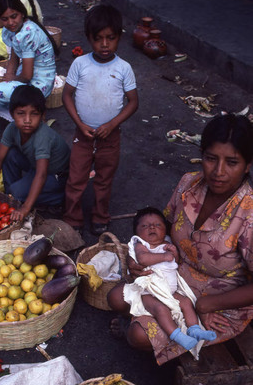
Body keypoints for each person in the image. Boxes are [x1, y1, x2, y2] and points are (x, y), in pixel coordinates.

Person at [108, 113, 253, 365]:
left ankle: (139, 325)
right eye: (210, 159)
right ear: (201, 155)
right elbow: (164, 230)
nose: (218, 171)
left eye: (232, 162)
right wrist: (142, 259)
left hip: (217, 300)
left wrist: (207, 306)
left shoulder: (249, 213)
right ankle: (142, 317)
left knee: (138, 336)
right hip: (171, 278)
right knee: (114, 298)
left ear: (248, 165)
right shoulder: (188, 184)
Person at [62, 4, 138, 236]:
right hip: (83, 135)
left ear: (119, 38)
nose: (104, 44)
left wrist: (112, 124)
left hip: (110, 137)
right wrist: (79, 124)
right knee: (76, 179)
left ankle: (100, 216)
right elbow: (66, 95)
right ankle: (73, 217)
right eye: (98, 39)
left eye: (110, 38)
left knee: (104, 180)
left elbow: (133, 102)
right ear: (89, 38)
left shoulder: (124, 68)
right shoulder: (80, 64)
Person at [111, 207, 217, 352]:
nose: (152, 227)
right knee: (160, 309)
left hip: (170, 290)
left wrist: (175, 254)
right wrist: (164, 256)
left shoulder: (167, 243)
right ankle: (177, 335)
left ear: (165, 230)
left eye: (157, 225)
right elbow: (142, 259)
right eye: (145, 226)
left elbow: (174, 264)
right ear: (136, 233)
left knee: (186, 302)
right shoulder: (141, 245)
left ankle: (194, 329)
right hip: (150, 292)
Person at [0, 85, 70, 221]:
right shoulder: (12, 128)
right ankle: (12, 197)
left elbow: (41, 174)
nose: (27, 120)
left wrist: (25, 207)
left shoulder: (42, 136)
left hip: (56, 176)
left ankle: (59, 198)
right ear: (12, 114)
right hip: (36, 167)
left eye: (34, 114)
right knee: (9, 153)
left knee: (18, 192)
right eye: (21, 113)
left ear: (43, 115)